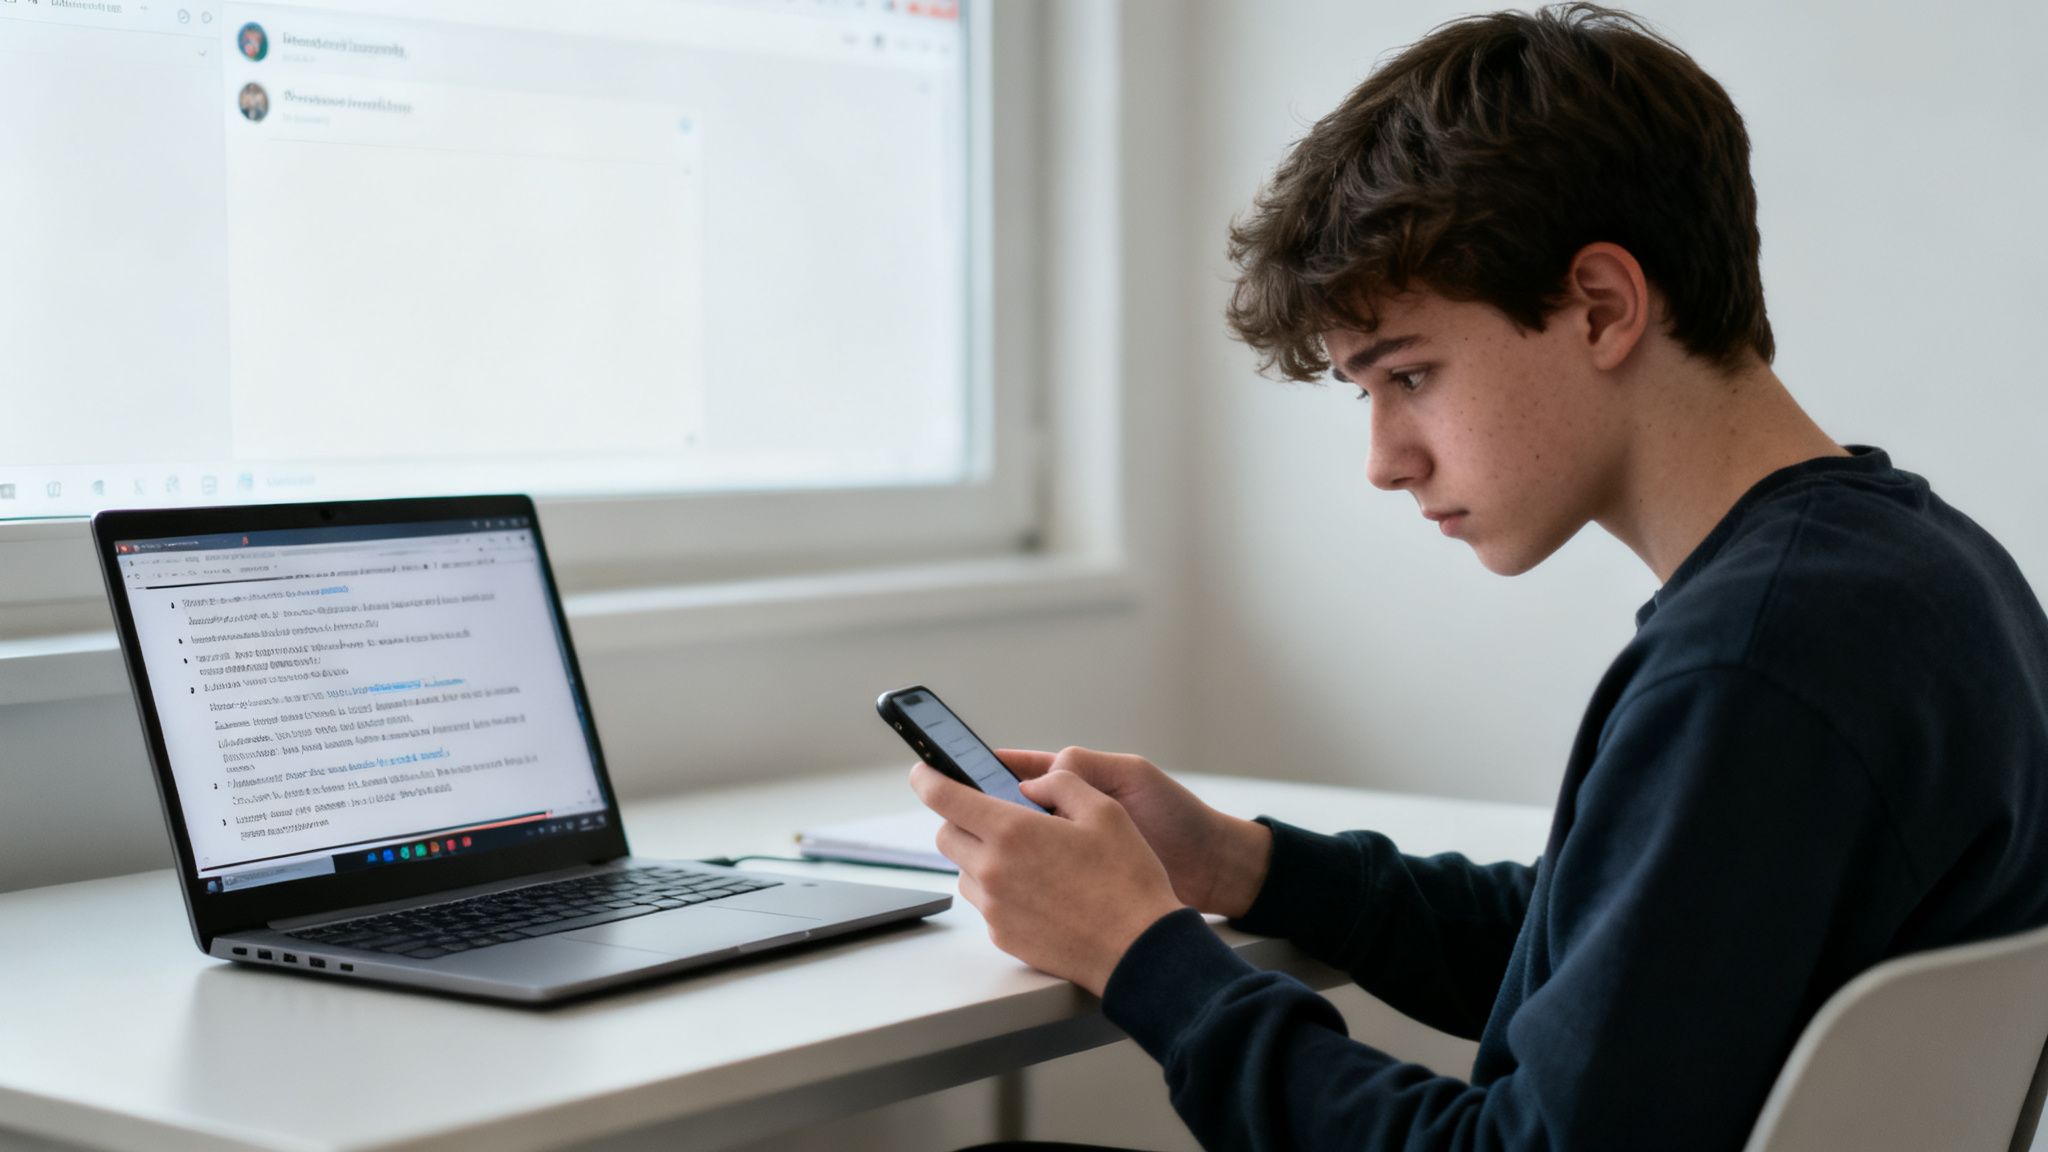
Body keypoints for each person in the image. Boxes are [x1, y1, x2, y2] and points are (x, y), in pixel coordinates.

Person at [912, 5, 2048, 1150]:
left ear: (1599, 307)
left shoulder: (1749, 665)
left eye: (1406, 374)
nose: (1381, 461)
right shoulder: (1922, 577)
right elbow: (1617, 964)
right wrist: (1241, 865)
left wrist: (1139, 958)